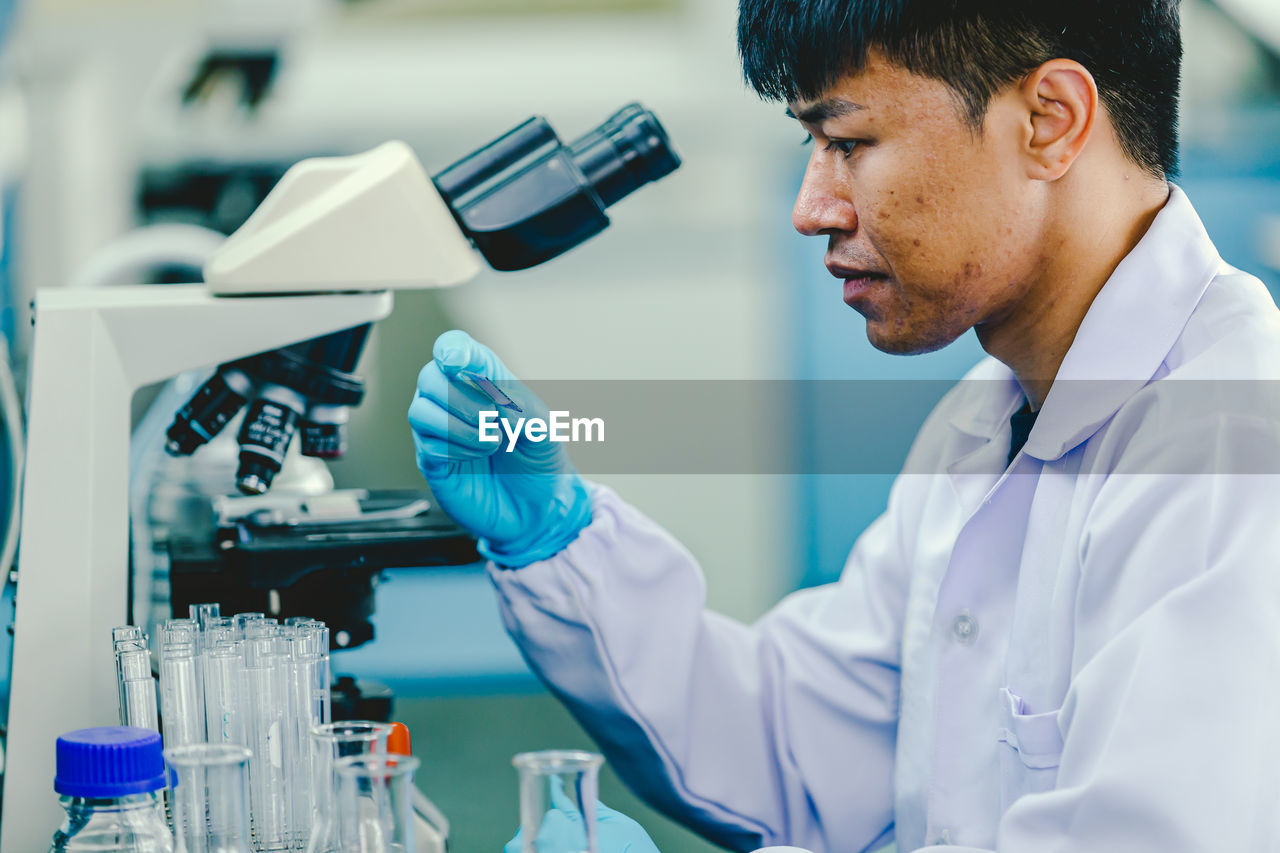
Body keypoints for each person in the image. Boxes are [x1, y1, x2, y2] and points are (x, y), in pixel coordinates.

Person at [408, 1, 1280, 851]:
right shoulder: (987, 421)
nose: (812, 207)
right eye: (812, 145)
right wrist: (562, 545)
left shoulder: (1229, 450)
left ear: (1050, 120)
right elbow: (800, 754)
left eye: (849, 143)